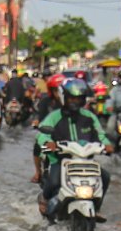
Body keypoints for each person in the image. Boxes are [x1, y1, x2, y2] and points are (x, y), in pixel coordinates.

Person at [36, 78, 114, 219]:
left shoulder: (89, 117)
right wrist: (48, 142)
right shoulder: (54, 117)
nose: (75, 102)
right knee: (54, 181)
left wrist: (107, 145)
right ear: (64, 97)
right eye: (71, 98)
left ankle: (96, 208)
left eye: (78, 98)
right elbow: (42, 134)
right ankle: (45, 199)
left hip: (86, 162)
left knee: (105, 177)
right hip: (60, 161)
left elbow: (100, 135)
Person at [30, 72, 66, 183]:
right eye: (56, 90)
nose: (59, 93)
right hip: (50, 133)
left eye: (61, 89)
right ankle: (38, 172)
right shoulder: (46, 102)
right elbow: (42, 120)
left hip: (69, 136)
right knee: (37, 143)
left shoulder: (72, 104)